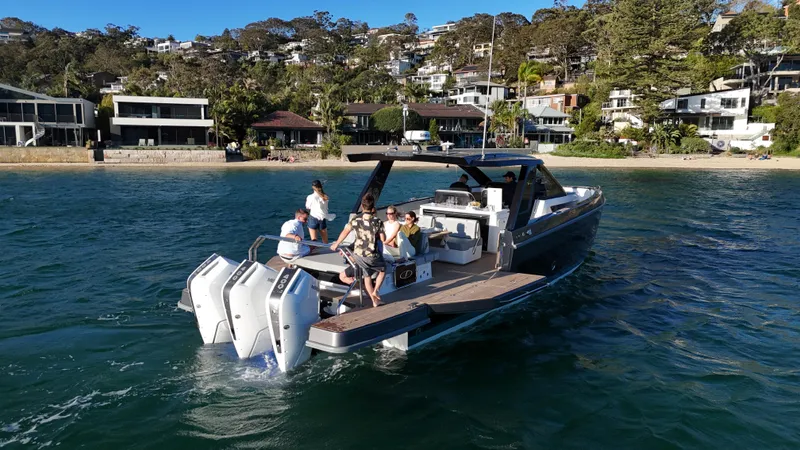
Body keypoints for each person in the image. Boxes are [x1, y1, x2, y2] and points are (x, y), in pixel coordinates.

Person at [330, 194, 387, 307]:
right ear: (372, 207)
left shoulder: (355, 219)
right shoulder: (377, 221)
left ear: (362, 206)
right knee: (383, 269)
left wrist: (336, 244)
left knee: (367, 276)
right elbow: (383, 239)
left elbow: (345, 232)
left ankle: (375, 301)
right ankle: (376, 291)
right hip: (372, 255)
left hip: (358, 255)